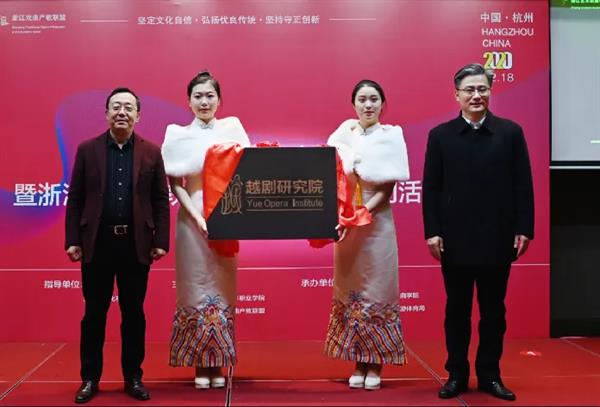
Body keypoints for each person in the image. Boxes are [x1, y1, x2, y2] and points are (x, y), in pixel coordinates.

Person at [422, 63, 534, 401]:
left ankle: (490, 375)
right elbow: (432, 188)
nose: (476, 95)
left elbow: (523, 184)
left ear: (490, 92)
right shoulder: (440, 135)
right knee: (457, 310)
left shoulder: (510, 133)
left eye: (482, 89)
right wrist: (432, 231)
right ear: (456, 95)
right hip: (453, 239)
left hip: (498, 237)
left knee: (493, 311)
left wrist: (524, 228)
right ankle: (456, 374)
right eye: (469, 90)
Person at [65, 87, 170, 403]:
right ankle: (89, 379)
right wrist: (73, 239)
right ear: (106, 113)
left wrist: (160, 240)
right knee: (94, 314)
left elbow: (160, 201)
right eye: (116, 107)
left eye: (128, 107)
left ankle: (133, 377)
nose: (122, 112)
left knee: (134, 313)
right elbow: (76, 199)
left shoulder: (151, 152)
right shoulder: (88, 150)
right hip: (97, 243)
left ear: (138, 115)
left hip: (135, 245)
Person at [161, 71, 250, 389]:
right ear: (188, 101)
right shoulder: (177, 134)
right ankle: (200, 362)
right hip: (191, 218)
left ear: (219, 100)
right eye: (197, 96)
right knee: (194, 286)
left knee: (222, 285)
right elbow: (175, 183)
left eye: (210, 95)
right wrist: (198, 218)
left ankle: (219, 361)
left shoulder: (232, 130)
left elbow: (248, 172)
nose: (204, 102)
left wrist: (224, 215)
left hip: (227, 216)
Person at [324, 79, 410, 390]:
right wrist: (345, 217)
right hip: (347, 224)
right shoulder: (341, 137)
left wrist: (362, 212)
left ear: (383, 104)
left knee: (377, 289)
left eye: (374, 99)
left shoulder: (391, 136)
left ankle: (376, 363)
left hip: (377, 222)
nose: (368, 105)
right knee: (352, 288)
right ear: (354, 104)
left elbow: (387, 187)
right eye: (362, 99)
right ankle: (358, 360)